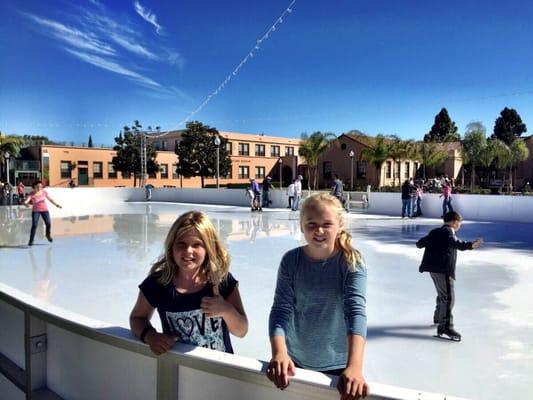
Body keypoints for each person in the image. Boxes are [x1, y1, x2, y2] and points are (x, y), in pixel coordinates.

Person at [267, 193, 368, 399]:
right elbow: (280, 309)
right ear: (302, 226)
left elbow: (355, 312)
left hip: (339, 366)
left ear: (339, 225)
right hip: (295, 363)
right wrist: (279, 352)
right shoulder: (291, 261)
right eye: (311, 224)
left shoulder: (351, 262)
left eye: (327, 224)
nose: (319, 231)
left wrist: (355, 367)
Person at [129, 211, 248, 355]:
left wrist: (226, 310)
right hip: (179, 369)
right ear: (171, 246)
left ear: (209, 247)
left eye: (197, 245)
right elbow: (137, 318)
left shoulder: (221, 280)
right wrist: (150, 336)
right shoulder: (158, 283)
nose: (188, 251)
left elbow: (242, 331)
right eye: (181, 244)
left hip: (220, 369)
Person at [416, 211, 482, 341]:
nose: (459, 226)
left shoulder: (435, 232)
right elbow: (456, 243)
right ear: (455, 222)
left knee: (442, 295)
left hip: (433, 270)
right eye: (459, 223)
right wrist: (471, 245)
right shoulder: (448, 231)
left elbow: (420, 243)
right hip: (443, 269)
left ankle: (438, 319)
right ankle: (445, 326)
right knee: (448, 298)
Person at [24, 181, 62, 246]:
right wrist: (25, 204)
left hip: (44, 210)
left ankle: (48, 235)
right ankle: (31, 240)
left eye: (41, 186)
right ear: (34, 187)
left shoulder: (44, 192)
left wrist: (56, 204)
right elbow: (26, 201)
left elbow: (50, 199)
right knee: (34, 225)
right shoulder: (32, 194)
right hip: (36, 211)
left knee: (48, 223)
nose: (39, 187)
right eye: (38, 186)